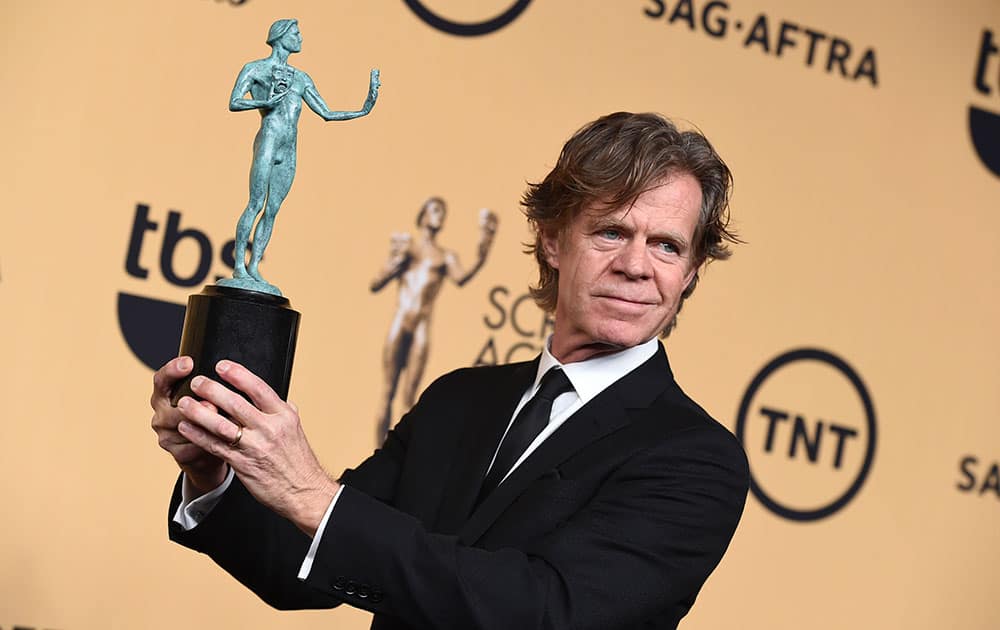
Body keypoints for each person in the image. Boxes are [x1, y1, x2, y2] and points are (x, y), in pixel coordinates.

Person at [151, 112, 749, 629]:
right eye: (611, 231)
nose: (636, 265)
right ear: (552, 242)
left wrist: (311, 494)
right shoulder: (459, 401)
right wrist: (214, 474)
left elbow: (543, 615)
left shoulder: (695, 458)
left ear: (693, 270)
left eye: (668, 245)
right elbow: (301, 567)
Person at [221, 18, 380, 292]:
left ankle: (255, 266)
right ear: (281, 36)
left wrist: (365, 107)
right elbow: (234, 102)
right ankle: (238, 267)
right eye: (296, 33)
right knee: (256, 203)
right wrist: (264, 102)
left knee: (272, 210)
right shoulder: (256, 69)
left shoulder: (301, 78)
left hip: (289, 147)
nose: (301, 37)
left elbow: (327, 113)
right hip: (269, 139)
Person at [370, 198, 498, 441]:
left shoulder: (445, 257)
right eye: (436, 210)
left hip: (421, 327)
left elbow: (463, 276)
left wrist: (485, 245)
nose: (441, 215)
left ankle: (396, 464)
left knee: (409, 398)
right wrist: (392, 263)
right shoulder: (408, 248)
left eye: (443, 211)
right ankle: (376, 455)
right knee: (387, 392)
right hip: (400, 322)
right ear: (424, 215)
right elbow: (377, 283)